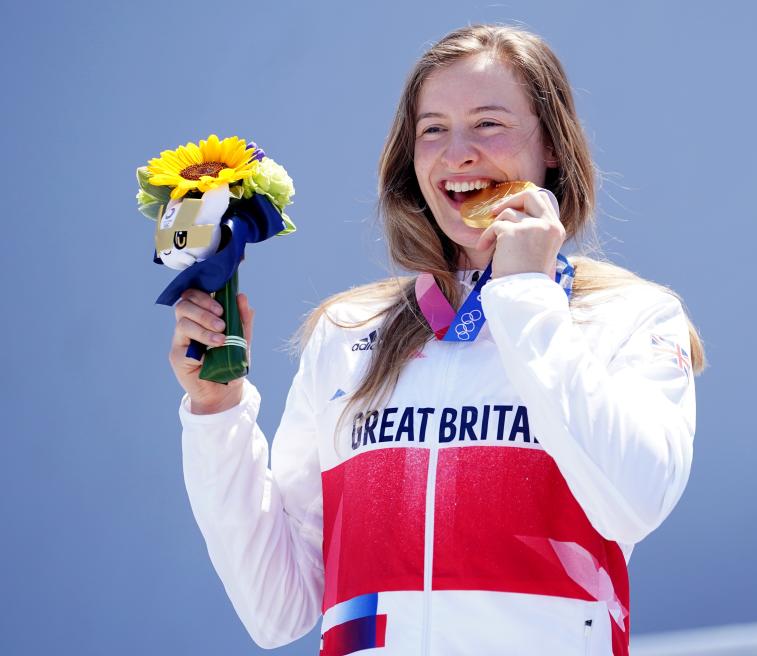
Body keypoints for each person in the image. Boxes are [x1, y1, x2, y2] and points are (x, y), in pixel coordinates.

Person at [171, 24, 704, 656]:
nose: (458, 153)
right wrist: (216, 414)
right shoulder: (349, 332)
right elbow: (277, 608)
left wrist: (527, 294)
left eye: (488, 123)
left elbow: (633, 504)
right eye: (433, 129)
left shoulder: (630, 317)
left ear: (553, 147)